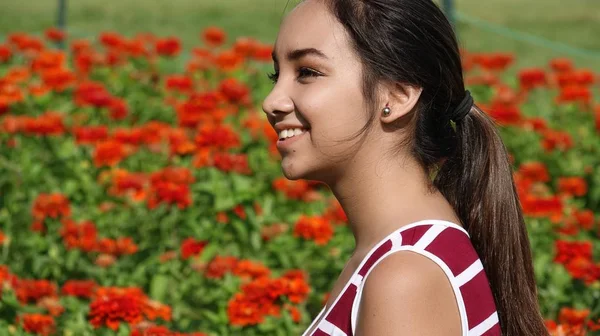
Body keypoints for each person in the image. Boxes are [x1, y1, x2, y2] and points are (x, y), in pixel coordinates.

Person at [261, 0, 548, 335]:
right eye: (277, 74)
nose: (272, 101)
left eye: (308, 72)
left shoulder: (405, 276)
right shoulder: (400, 255)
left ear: (396, 96)